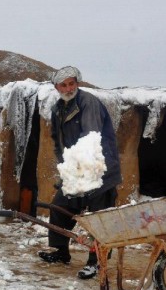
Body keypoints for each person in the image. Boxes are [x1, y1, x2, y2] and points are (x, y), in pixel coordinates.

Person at [38, 66, 122, 279]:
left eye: (71, 83)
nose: (68, 88)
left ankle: (97, 262)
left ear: (77, 83)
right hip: (77, 169)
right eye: (63, 85)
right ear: (57, 87)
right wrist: (67, 168)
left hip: (99, 168)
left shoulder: (88, 102)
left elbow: (90, 138)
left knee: (98, 218)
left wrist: (82, 169)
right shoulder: (59, 108)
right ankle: (60, 251)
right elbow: (58, 143)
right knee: (59, 206)